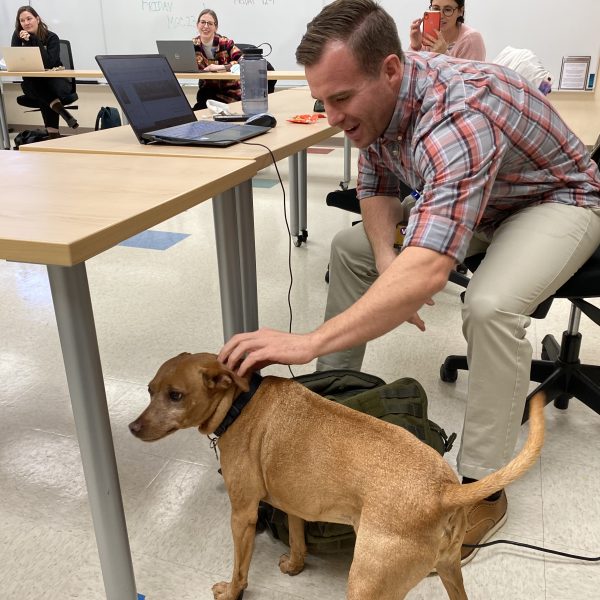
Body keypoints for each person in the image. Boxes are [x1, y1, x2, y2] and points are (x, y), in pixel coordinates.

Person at [219, 0, 600, 562]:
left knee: (491, 305)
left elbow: (430, 271)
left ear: (391, 70)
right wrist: (384, 258)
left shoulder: (459, 112)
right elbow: (376, 186)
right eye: (322, 100)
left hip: (554, 201)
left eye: (341, 98)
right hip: (481, 202)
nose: (332, 117)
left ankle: (483, 489)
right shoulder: (377, 106)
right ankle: (326, 405)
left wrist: (305, 342)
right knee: (352, 250)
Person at [11, 5, 78, 137]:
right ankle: (60, 115)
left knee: (43, 90)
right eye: (22, 20)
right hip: (33, 84)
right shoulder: (18, 35)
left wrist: (33, 40)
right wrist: (21, 41)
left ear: (38, 19)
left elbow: (49, 64)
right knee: (35, 85)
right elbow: (16, 60)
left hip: (56, 83)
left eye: (29, 19)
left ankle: (53, 134)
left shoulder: (52, 37)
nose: (26, 23)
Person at [192, 9, 242, 110]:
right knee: (196, 112)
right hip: (208, 92)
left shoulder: (225, 43)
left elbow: (243, 61)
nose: (206, 26)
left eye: (210, 23)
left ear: (216, 27)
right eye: (203, 22)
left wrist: (220, 67)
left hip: (230, 93)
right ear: (197, 25)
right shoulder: (193, 45)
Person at [409, 1, 485, 61]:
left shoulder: (471, 39)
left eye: (448, 10)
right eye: (436, 8)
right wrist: (415, 47)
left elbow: (470, 79)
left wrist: (444, 54)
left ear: (460, 11)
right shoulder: (428, 36)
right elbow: (412, 73)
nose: (441, 16)